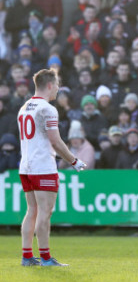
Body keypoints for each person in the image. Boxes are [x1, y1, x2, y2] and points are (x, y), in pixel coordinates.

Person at [18, 69, 86, 267]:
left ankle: (27, 256)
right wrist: (74, 161)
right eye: (57, 84)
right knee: (45, 213)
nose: (58, 88)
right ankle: (46, 258)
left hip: (26, 166)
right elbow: (55, 141)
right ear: (49, 85)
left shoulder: (24, 107)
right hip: (42, 166)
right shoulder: (47, 108)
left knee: (32, 210)